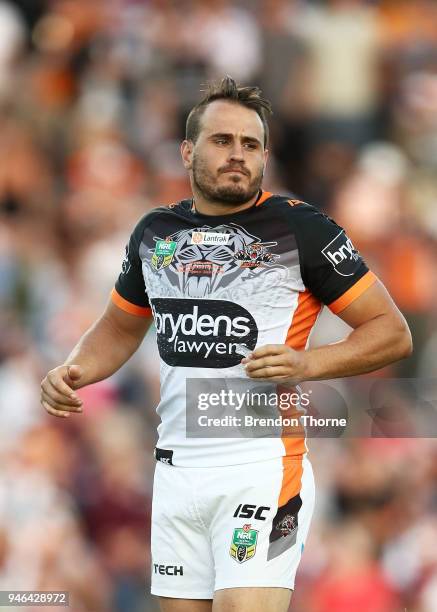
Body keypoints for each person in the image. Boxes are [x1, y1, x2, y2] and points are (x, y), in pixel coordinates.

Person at [40, 76, 412, 612]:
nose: (238, 154)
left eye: (251, 144)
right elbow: (120, 326)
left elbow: (391, 331)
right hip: (175, 471)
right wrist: (73, 369)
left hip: (260, 466)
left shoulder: (301, 227)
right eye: (222, 141)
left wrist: (308, 363)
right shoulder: (156, 233)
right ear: (188, 151)